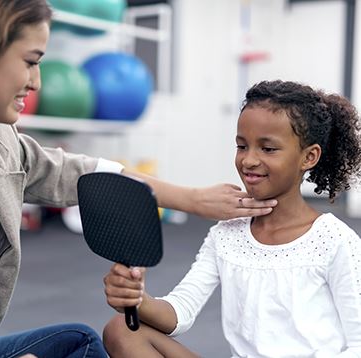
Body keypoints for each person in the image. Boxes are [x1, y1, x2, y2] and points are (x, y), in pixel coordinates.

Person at [0, 1, 278, 357]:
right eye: (30, 62)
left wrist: (193, 199)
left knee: (77, 342)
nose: (37, 83)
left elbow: (80, 173)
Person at [103, 80, 361, 357]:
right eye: (241, 146)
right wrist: (137, 300)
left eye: (268, 149)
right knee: (122, 329)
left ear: (309, 157)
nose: (248, 160)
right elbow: (181, 310)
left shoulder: (334, 240)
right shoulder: (227, 233)